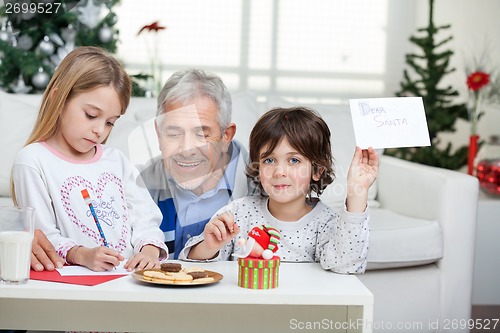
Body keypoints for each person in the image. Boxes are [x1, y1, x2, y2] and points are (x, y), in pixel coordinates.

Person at [11, 46, 168, 272]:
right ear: (59, 99)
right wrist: (82, 255)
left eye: (110, 122)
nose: (100, 131)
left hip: (128, 282)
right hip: (74, 286)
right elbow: (41, 237)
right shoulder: (33, 161)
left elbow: (146, 219)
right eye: (91, 115)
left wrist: (149, 251)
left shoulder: (117, 161)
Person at [180, 106, 378, 273]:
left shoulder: (325, 223)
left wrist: (357, 192)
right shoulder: (238, 213)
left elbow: (347, 266)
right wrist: (208, 246)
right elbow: (192, 265)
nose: (279, 171)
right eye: (269, 160)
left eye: (294, 160)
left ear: (317, 170)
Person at [140, 69, 255, 259]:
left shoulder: (266, 185)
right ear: (159, 133)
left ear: (226, 136)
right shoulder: (140, 186)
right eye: (173, 133)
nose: (187, 150)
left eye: (201, 134)